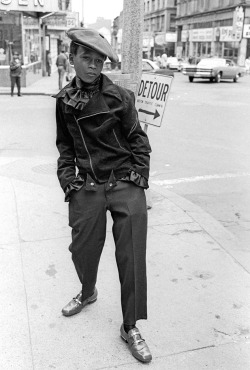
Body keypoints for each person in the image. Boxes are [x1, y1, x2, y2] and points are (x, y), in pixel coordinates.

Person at [53, 28, 152, 364]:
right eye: (87, 59)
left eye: (100, 61)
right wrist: (69, 179)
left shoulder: (121, 97)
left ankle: (130, 325)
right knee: (81, 248)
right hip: (88, 185)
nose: (94, 66)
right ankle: (87, 291)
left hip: (123, 181)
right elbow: (64, 146)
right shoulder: (64, 100)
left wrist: (138, 179)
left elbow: (138, 140)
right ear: (72, 58)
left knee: (132, 254)